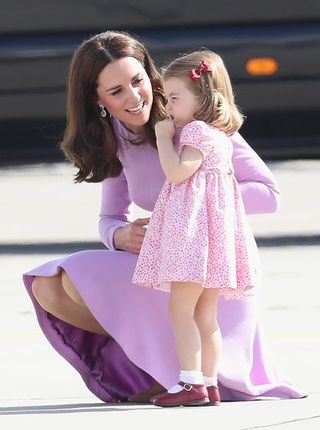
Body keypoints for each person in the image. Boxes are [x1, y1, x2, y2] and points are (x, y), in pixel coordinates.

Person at [22, 30, 305, 404]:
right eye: (116, 90)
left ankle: (191, 373)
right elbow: (110, 217)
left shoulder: (195, 120)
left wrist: (192, 205)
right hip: (167, 260)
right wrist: (120, 236)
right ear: (98, 99)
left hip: (210, 265)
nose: (134, 97)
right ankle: (168, 370)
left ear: (149, 74)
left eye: (138, 81)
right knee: (50, 287)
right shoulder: (114, 136)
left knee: (76, 276)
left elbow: (268, 195)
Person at [132, 50, 258, 407]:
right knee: (205, 314)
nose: (168, 107)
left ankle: (190, 384)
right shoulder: (219, 135)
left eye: (174, 98)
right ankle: (210, 381)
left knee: (180, 311)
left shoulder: (197, 131)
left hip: (194, 243)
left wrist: (161, 138)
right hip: (212, 243)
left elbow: (176, 173)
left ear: (202, 97)